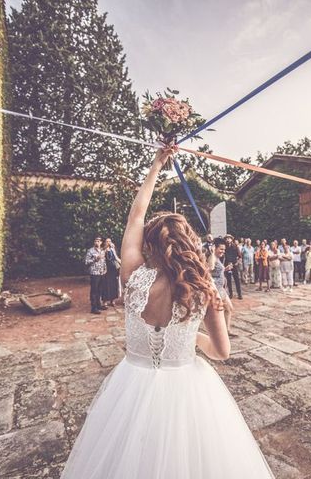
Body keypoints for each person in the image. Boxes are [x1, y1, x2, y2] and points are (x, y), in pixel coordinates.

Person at [60, 146, 274, 479]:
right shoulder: (204, 291)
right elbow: (221, 352)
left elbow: (136, 216)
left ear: (149, 245)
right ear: (189, 242)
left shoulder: (131, 276)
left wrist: (157, 165)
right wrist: (199, 332)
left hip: (131, 382)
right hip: (186, 387)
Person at [209, 238, 236, 337]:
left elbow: (217, 271)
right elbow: (208, 270)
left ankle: (227, 330)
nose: (223, 251)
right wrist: (212, 253)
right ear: (214, 248)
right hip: (216, 290)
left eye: (224, 250)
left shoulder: (217, 259)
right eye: (221, 249)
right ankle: (220, 334)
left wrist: (225, 268)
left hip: (221, 289)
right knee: (218, 313)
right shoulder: (212, 258)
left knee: (229, 309)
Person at [85, 237, 106, 314]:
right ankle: (93, 308)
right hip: (94, 273)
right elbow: (86, 262)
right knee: (94, 290)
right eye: (96, 241)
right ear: (94, 242)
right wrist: (95, 259)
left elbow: (104, 261)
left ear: (101, 242)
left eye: (99, 241)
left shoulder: (102, 251)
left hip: (101, 273)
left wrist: (105, 269)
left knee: (100, 290)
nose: (97, 242)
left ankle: (98, 304)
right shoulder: (90, 251)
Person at [102, 238, 122, 306]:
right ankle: (105, 301)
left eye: (110, 241)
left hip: (113, 269)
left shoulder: (113, 250)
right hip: (106, 269)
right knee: (106, 284)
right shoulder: (103, 250)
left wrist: (123, 263)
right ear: (105, 243)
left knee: (113, 284)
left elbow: (116, 258)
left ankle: (112, 300)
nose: (108, 242)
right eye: (107, 241)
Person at [223, 235, 243, 300]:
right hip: (227, 265)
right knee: (228, 280)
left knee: (237, 280)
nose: (228, 239)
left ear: (231, 239)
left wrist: (237, 263)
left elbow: (240, 256)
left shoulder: (235, 247)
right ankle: (230, 294)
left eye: (229, 238)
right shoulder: (224, 247)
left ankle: (239, 294)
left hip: (234, 265)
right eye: (226, 238)